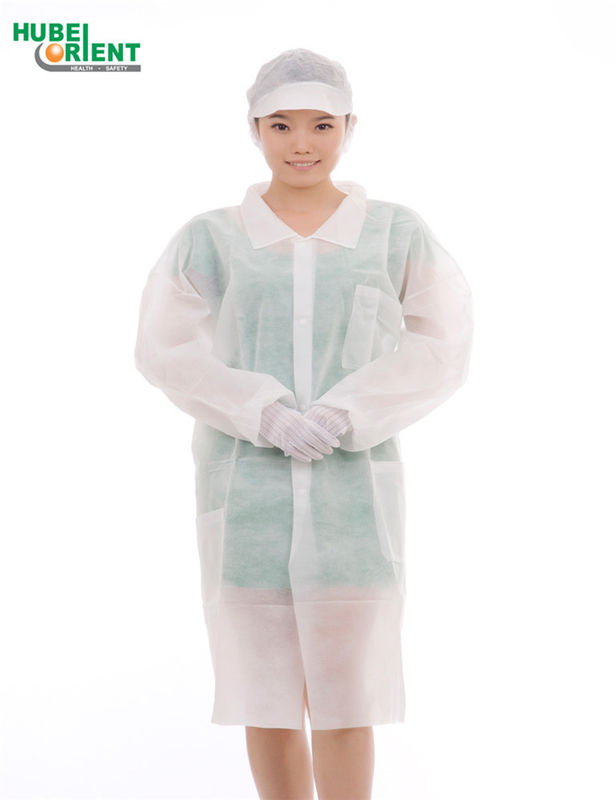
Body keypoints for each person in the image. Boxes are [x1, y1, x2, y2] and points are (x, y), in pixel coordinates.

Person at [134, 47, 473, 800]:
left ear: (350, 126)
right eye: (281, 124)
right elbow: (163, 349)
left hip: (354, 503)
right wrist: (259, 409)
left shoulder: (394, 232)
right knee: (267, 699)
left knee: (348, 699)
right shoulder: (211, 238)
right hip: (246, 499)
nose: (302, 143)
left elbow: (442, 346)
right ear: (254, 128)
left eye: (321, 124)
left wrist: (350, 408)